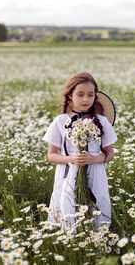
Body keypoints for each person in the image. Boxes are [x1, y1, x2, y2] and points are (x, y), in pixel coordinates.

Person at [43, 72, 117, 231]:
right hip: (68, 173)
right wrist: (72, 159)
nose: (85, 99)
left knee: (97, 204)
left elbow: (110, 154)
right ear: (70, 95)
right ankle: (71, 239)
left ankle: (98, 238)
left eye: (90, 95)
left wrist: (94, 159)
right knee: (68, 205)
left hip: (96, 173)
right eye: (80, 94)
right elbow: (51, 156)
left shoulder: (101, 121)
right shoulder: (60, 121)